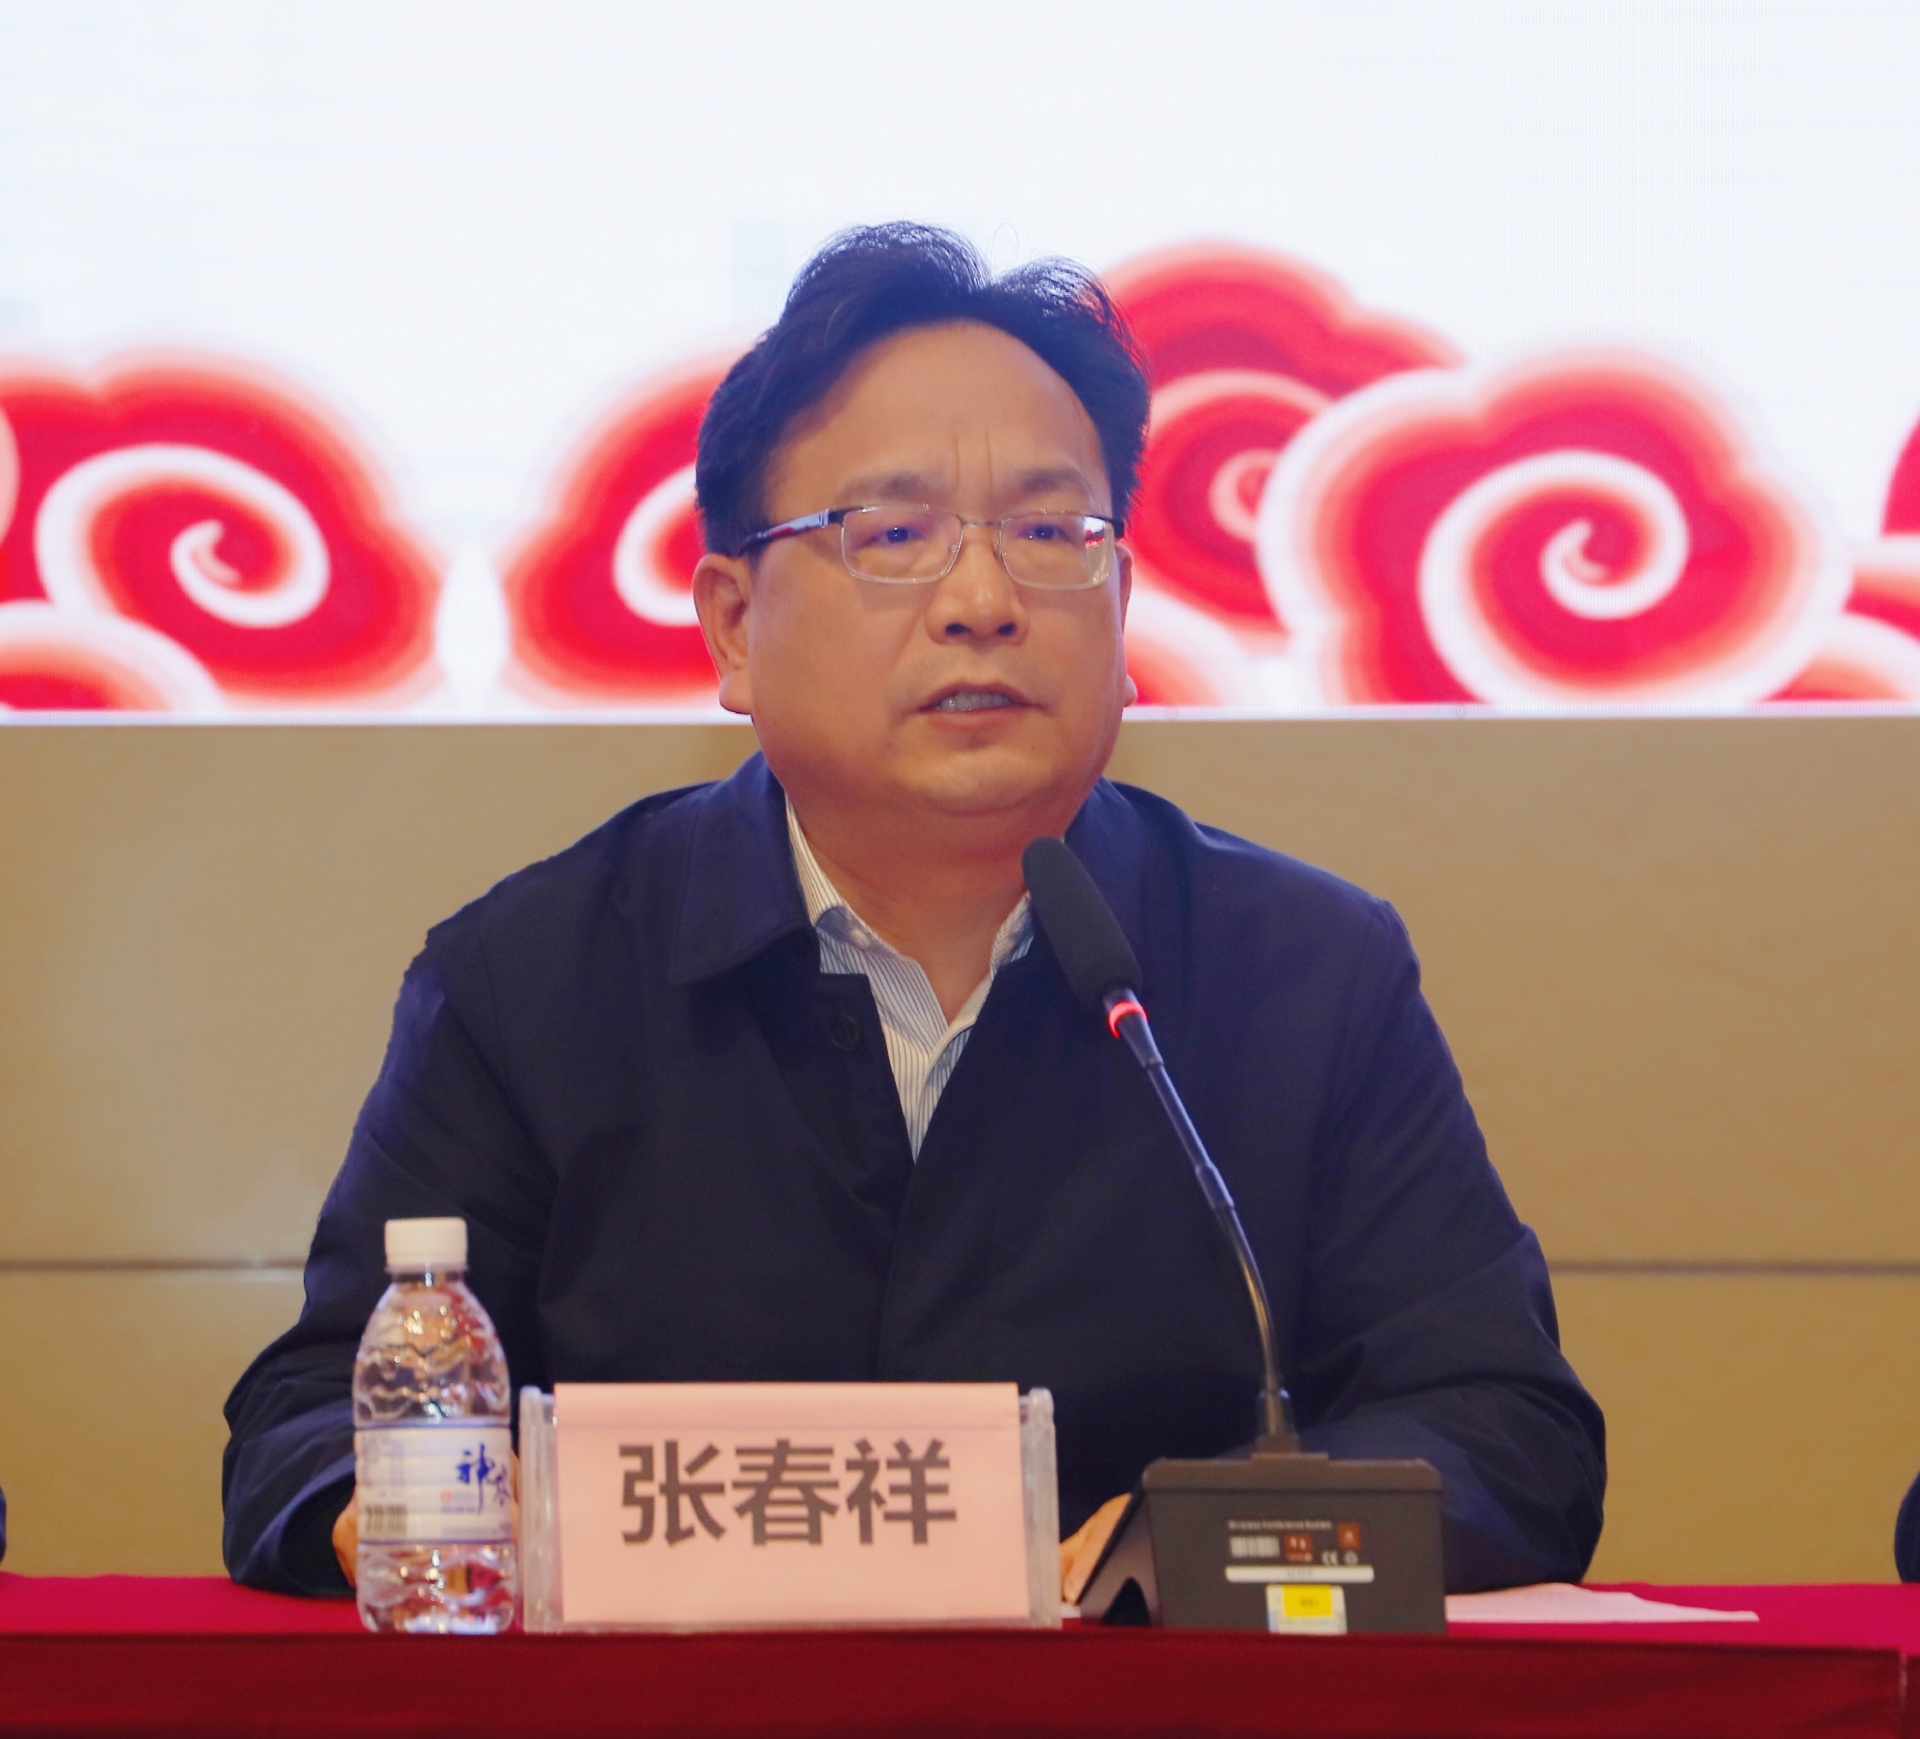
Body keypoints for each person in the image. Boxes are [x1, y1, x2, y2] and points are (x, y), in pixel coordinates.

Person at [222, 224, 1605, 1599]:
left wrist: (1181, 1549)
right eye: (893, 535)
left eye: (1050, 533)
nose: (984, 601)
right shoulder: (532, 981)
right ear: (732, 626)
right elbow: (311, 1424)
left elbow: (1500, 1427)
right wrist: (445, 1518)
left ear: (1122, 602)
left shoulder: (1305, 973)